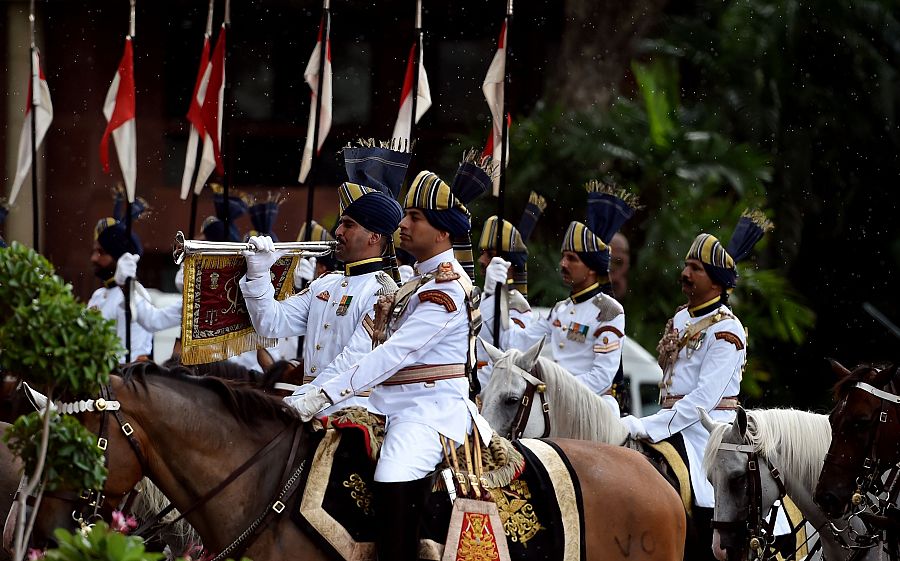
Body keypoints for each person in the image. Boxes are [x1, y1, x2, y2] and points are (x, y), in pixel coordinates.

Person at [287, 159, 494, 561]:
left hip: (427, 412)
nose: (405, 223)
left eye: (416, 217)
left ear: (443, 231)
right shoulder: (418, 282)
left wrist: (321, 394)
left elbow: (394, 355)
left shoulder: (446, 289)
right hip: (387, 405)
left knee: (393, 469)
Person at [620, 209, 774, 549]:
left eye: (696, 269)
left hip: (708, 428)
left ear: (716, 283)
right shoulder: (680, 317)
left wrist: (652, 426)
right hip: (672, 418)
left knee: (708, 494)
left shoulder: (727, 329)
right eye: (687, 266)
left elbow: (704, 398)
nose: (685, 273)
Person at [240, 143, 410, 414]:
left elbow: (353, 361)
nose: (337, 230)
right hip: (310, 408)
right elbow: (270, 324)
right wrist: (258, 273)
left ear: (374, 237)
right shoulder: (326, 284)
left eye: (348, 224)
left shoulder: (384, 291)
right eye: (341, 222)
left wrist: (299, 402)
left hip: (352, 412)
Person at [503, 181, 640, 415]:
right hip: (558, 405)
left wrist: (557, 391)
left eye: (572, 259)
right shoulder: (560, 310)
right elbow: (516, 343)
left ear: (591, 268)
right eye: (563, 257)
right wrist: (498, 297)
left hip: (592, 408)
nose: (563, 264)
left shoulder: (609, 312)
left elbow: (602, 376)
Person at [88, 189, 153, 363]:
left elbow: (133, 361)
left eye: (101, 253)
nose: (93, 258)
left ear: (119, 258)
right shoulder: (97, 296)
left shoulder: (136, 296)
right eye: (94, 251)